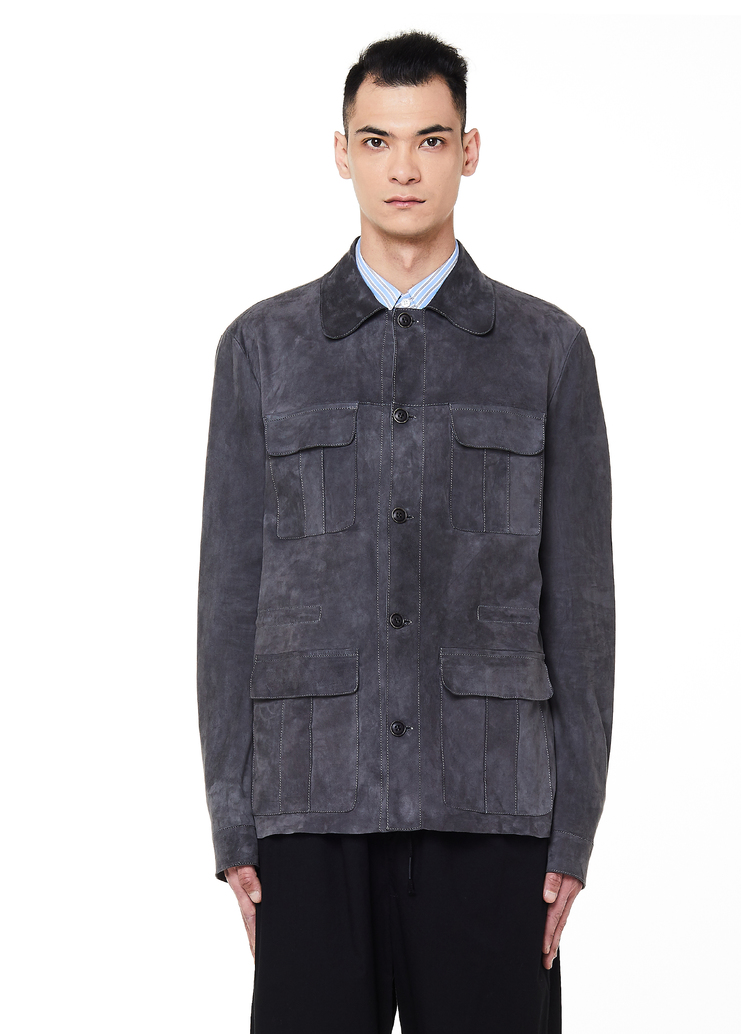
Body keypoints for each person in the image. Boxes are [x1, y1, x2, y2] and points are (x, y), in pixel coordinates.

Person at [197, 29, 615, 1034]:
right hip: (310, 806)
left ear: (467, 152)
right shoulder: (262, 350)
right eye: (377, 141)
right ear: (341, 152)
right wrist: (234, 820)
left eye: (429, 140)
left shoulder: (546, 352)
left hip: (493, 809)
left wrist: (573, 830)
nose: (403, 168)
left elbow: (582, 611)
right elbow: (229, 600)